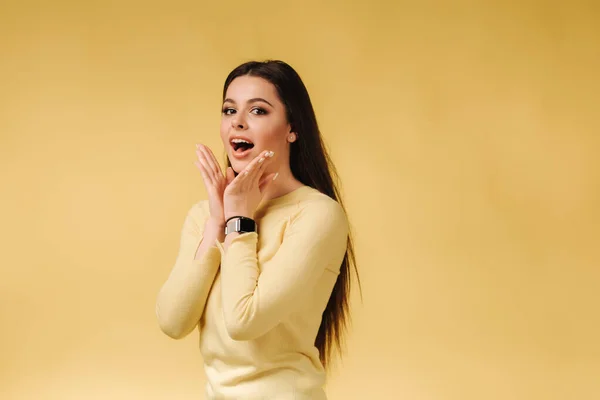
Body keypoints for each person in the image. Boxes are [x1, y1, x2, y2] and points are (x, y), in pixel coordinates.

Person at [155, 60, 360, 399]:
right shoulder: (206, 215)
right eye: (229, 110)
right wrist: (217, 223)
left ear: (292, 127)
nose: (238, 121)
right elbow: (172, 321)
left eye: (258, 111)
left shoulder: (318, 215)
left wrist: (241, 222)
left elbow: (243, 321)